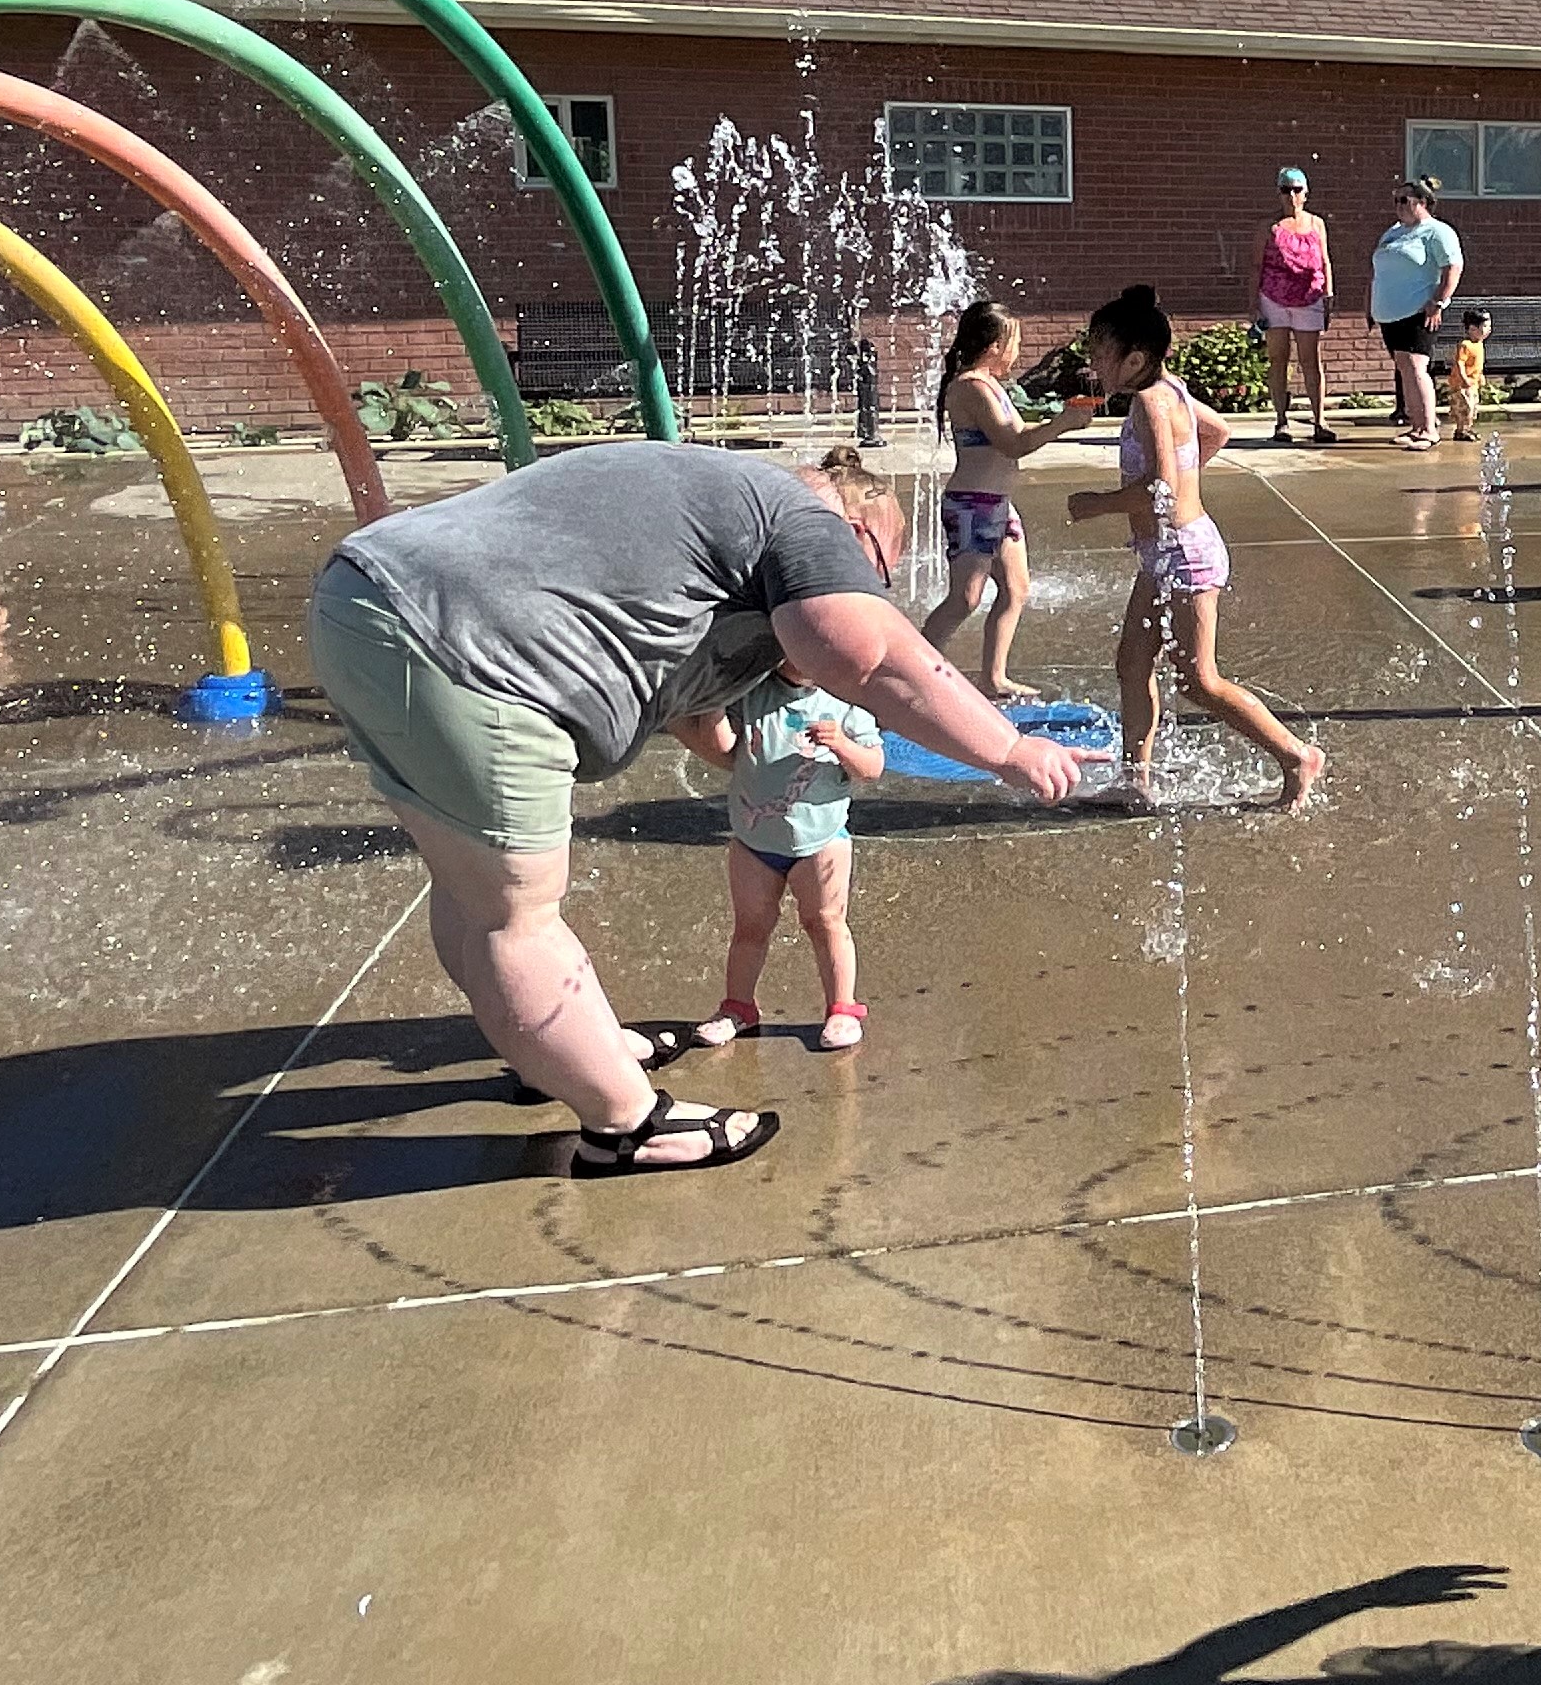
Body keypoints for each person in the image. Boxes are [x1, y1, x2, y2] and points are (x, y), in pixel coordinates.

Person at [307, 439, 1086, 1176]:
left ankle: (558, 1053)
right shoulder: (802, 523)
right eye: (876, 570)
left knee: (469, 880)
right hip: (471, 646)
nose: (875, 587)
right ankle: (626, 1124)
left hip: (368, 596)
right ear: (854, 533)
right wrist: (1009, 750)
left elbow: (690, 708)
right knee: (517, 914)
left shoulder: (725, 511)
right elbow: (871, 654)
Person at [1066, 284, 1324, 810]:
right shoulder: (1172, 389)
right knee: (1133, 663)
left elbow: (1159, 491)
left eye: (1099, 352)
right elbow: (1219, 432)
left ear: (1134, 358)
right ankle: (1134, 780)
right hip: (1167, 555)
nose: (1093, 362)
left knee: (1199, 680)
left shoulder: (1148, 404)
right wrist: (1187, 478)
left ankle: (1297, 755)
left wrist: (1098, 503)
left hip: (1184, 556)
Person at [665, 674, 885, 1053]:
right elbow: (723, 750)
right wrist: (716, 700)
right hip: (755, 841)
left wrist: (842, 744)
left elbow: (873, 767)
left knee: (826, 923)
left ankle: (842, 1009)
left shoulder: (846, 698)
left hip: (822, 840)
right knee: (750, 928)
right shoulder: (752, 689)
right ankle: (738, 1006)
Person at [922, 300, 1097, 700]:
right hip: (972, 504)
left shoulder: (992, 386)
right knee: (965, 599)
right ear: (996, 344)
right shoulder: (970, 387)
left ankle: (994, 677)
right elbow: (1012, 444)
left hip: (998, 505)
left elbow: (1018, 435)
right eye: (1015, 341)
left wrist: (1063, 422)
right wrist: (1062, 424)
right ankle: (908, 669)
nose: (1018, 351)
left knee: (1016, 589)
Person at [1367, 176, 1465, 451]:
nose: (1397, 206)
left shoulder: (1437, 232)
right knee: (1405, 371)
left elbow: (1452, 268)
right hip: (1390, 315)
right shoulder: (1393, 232)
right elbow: (1377, 271)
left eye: (1404, 200)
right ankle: (1415, 426)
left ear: (1422, 202)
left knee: (1416, 369)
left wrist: (1438, 302)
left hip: (1417, 312)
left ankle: (1429, 430)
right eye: (1395, 200)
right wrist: (1369, 304)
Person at [1252, 169, 1339, 447]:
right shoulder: (1269, 227)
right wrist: (1253, 305)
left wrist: (1328, 293)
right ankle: (1281, 420)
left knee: (1310, 359)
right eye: (1285, 189)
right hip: (1274, 297)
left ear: (1306, 192)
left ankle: (1319, 420)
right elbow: (1256, 266)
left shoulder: (1317, 224)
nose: (1291, 195)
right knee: (1279, 359)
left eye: (1297, 189)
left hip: (1309, 296)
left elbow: (1325, 260)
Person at [1443, 307, 1492, 441]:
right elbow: (1460, 363)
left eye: (1489, 326)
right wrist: (1464, 378)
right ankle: (1461, 430)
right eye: (1485, 326)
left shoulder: (1479, 344)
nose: (1488, 329)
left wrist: (1481, 376)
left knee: (1473, 406)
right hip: (1462, 384)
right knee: (1463, 407)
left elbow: (1478, 364)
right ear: (1472, 328)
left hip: (1473, 383)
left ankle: (1467, 429)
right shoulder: (1465, 345)